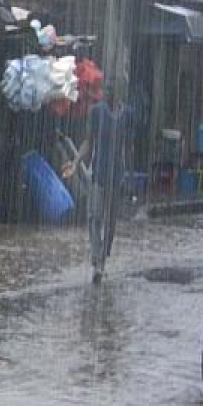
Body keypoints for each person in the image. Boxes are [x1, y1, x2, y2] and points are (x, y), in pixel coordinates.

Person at [62, 78, 130, 284]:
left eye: (112, 91)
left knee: (110, 223)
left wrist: (129, 176)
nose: (108, 94)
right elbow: (88, 142)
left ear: (119, 94)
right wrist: (75, 162)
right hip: (99, 175)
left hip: (116, 176)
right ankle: (97, 262)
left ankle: (103, 257)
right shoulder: (96, 112)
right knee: (94, 218)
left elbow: (129, 146)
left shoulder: (126, 115)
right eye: (106, 91)